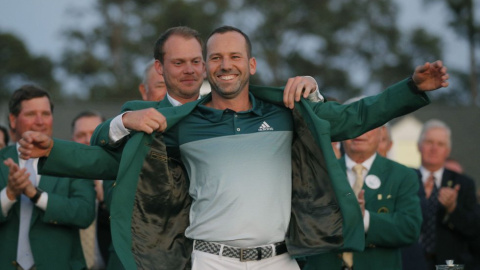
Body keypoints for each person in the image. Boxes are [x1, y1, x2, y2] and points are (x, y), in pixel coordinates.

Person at [19, 26, 448, 270]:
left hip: (278, 261)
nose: (226, 65)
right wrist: (51, 151)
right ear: (210, 66)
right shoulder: (183, 123)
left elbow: (356, 117)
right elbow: (110, 163)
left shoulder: (287, 112)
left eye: (235, 57)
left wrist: (411, 88)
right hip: (208, 262)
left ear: (251, 64)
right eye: (217, 57)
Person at [303, 97, 422, 270]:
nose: (360, 131)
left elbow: (410, 229)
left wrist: (365, 218)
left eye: (368, 123)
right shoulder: (317, 171)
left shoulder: (402, 175)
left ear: (382, 132)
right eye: (352, 124)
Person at [0, 85, 96, 270]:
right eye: (31, 114)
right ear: (13, 120)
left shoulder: (73, 159)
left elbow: (85, 213)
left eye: (45, 114)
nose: (40, 121)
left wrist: (36, 195)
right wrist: (9, 194)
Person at [403, 119, 479, 270]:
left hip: (449, 265)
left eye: (440, 144)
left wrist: (452, 209)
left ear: (448, 151)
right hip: (410, 262)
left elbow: (474, 229)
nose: (434, 148)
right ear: (419, 146)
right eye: (429, 142)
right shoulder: (405, 178)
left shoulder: (463, 184)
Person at [71, 110, 109, 270]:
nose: (87, 140)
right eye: (81, 135)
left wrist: (106, 199)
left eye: (94, 133)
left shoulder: (120, 177)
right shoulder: (61, 180)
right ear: (72, 140)